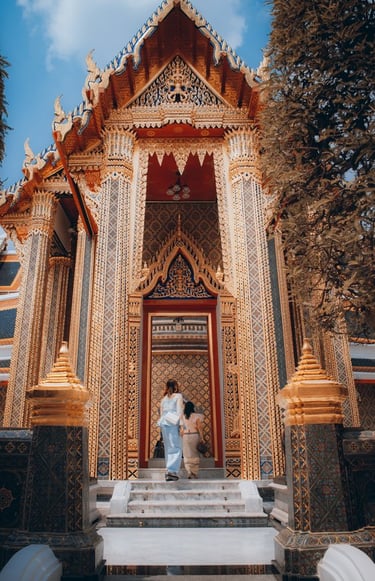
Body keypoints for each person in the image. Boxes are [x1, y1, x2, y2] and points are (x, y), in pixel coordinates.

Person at [158, 379, 184, 481]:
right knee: (176, 447)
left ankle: (169, 470)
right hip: (173, 423)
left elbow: (161, 413)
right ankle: (172, 471)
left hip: (164, 423)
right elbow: (179, 411)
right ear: (176, 386)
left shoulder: (163, 399)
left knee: (168, 447)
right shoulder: (178, 396)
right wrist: (181, 426)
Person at [182, 401, 204, 479]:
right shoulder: (197, 416)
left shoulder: (183, 417)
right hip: (194, 435)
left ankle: (189, 472)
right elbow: (200, 428)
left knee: (186, 454)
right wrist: (202, 438)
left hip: (185, 436)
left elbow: (181, 429)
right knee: (194, 454)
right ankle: (194, 472)